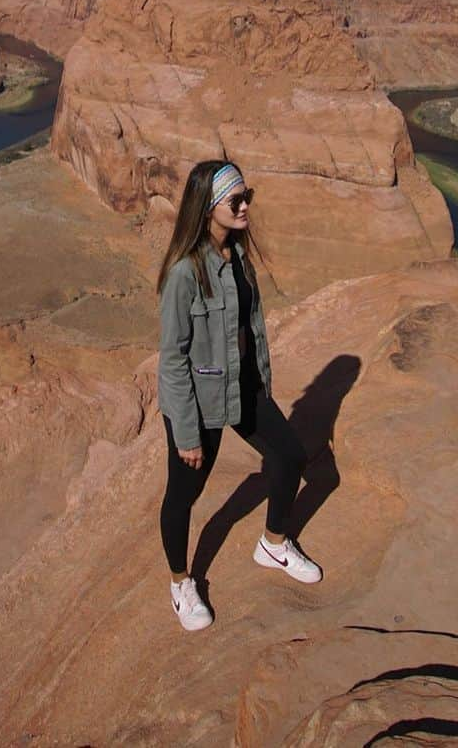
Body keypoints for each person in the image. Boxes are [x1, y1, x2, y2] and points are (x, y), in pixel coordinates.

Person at [157, 159, 321, 631]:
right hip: (200, 400)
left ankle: (273, 543)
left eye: (247, 195)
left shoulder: (239, 256)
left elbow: (250, 330)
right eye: (236, 200)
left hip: (242, 387)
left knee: (290, 455)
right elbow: (172, 360)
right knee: (184, 494)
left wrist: (262, 385)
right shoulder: (185, 273)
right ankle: (180, 583)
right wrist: (187, 434)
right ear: (208, 209)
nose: (246, 205)